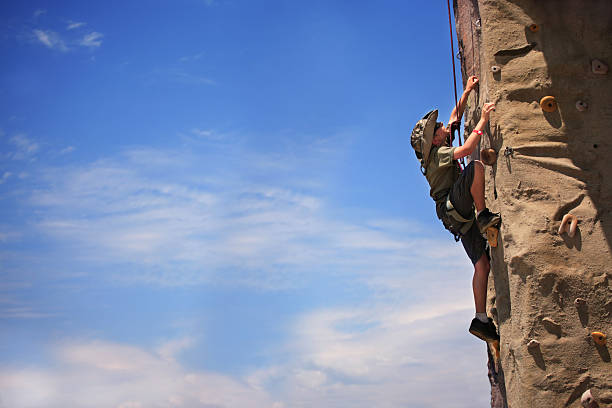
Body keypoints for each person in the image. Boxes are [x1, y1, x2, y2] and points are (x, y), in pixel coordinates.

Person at [410, 75, 501, 342]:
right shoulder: (439, 155)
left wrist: (467, 91)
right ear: (435, 141)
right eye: (437, 129)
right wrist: (483, 119)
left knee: (481, 264)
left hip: (455, 217)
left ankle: (481, 319)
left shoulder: (437, 147)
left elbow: (454, 116)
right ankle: (484, 216)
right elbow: (470, 148)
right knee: (474, 168)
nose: (441, 127)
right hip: (455, 206)